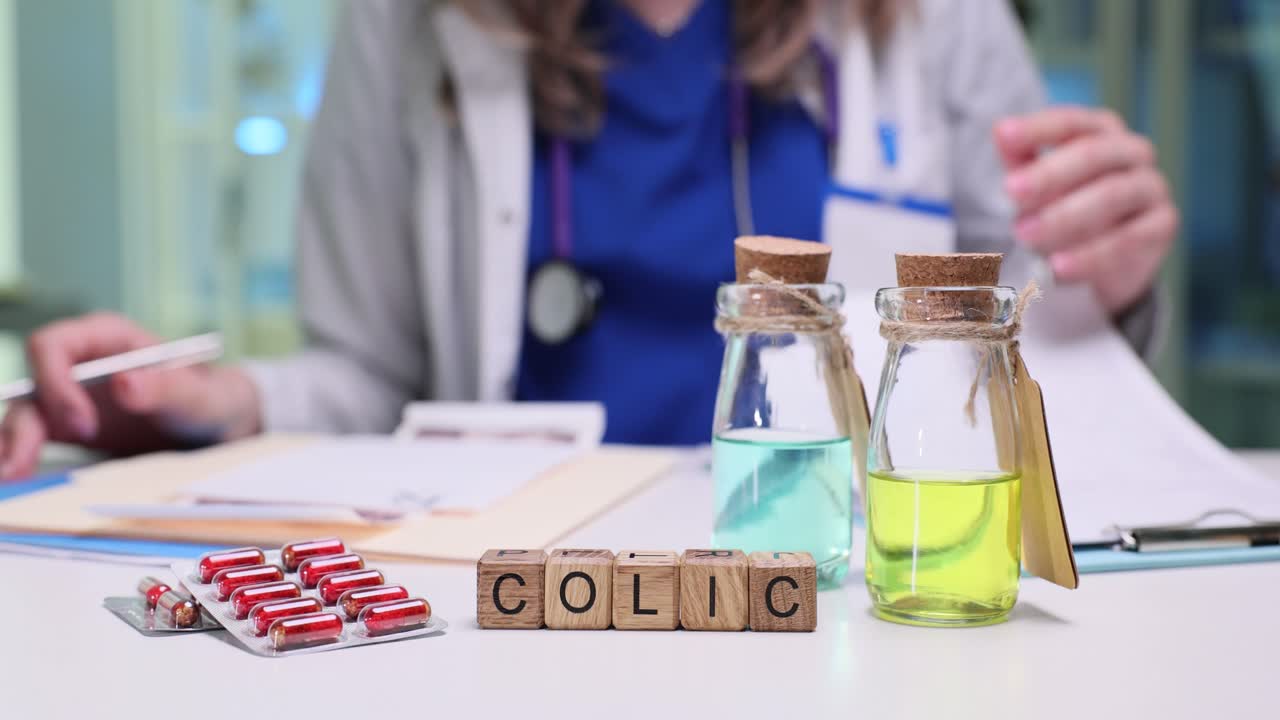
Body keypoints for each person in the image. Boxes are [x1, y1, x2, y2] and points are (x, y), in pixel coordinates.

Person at [0, 0, 1177, 477]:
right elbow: (373, 377)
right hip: (526, 603)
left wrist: (1103, 282)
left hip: (842, 584)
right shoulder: (411, 27)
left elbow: (1015, 332)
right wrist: (222, 402)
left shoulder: (933, 21)